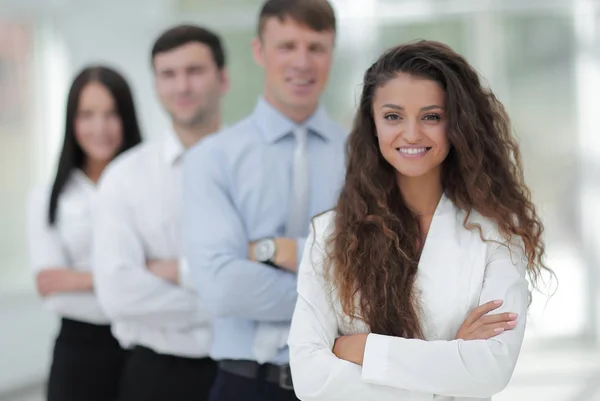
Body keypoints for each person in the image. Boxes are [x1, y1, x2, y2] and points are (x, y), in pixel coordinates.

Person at [288, 40, 551, 401]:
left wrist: (363, 349)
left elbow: (490, 368)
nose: (411, 134)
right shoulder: (330, 233)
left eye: (431, 116)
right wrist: (449, 366)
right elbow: (310, 378)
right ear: (373, 124)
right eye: (393, 116)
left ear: (457, 124)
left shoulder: (498, 235)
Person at [182, 1, 345, 400]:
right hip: (245, 386)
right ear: (259, 51)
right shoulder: (211, 158)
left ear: (332, 51)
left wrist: (274, 252)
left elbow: (381, 276)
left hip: (342, 384)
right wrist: (339, 283)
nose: (302, 62)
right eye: (287, 46)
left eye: (316, 47)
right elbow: (222, 288)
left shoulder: (367, 157)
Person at [92, 25, 228, 401]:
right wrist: (228, 302)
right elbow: (118, 293)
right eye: (169, 74)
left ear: (223, 78)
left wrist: (178, 272)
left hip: (247, 373)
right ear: (155, 86)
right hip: (156, 376)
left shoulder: (262, 168)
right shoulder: (124, 177)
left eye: (194, 71)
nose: (182, 86)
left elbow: (281, 275)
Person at [26, 65, 142, 401]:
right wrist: (138, 275)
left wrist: (78, 278)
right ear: (71, 122)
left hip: (147, 348)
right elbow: (49, 284)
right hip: (79, 352)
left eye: (111, 114)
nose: (99, 128)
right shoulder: (48, 196)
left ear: (127, 118)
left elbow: (179, 271)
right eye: (87, 115)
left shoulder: (150, 186)